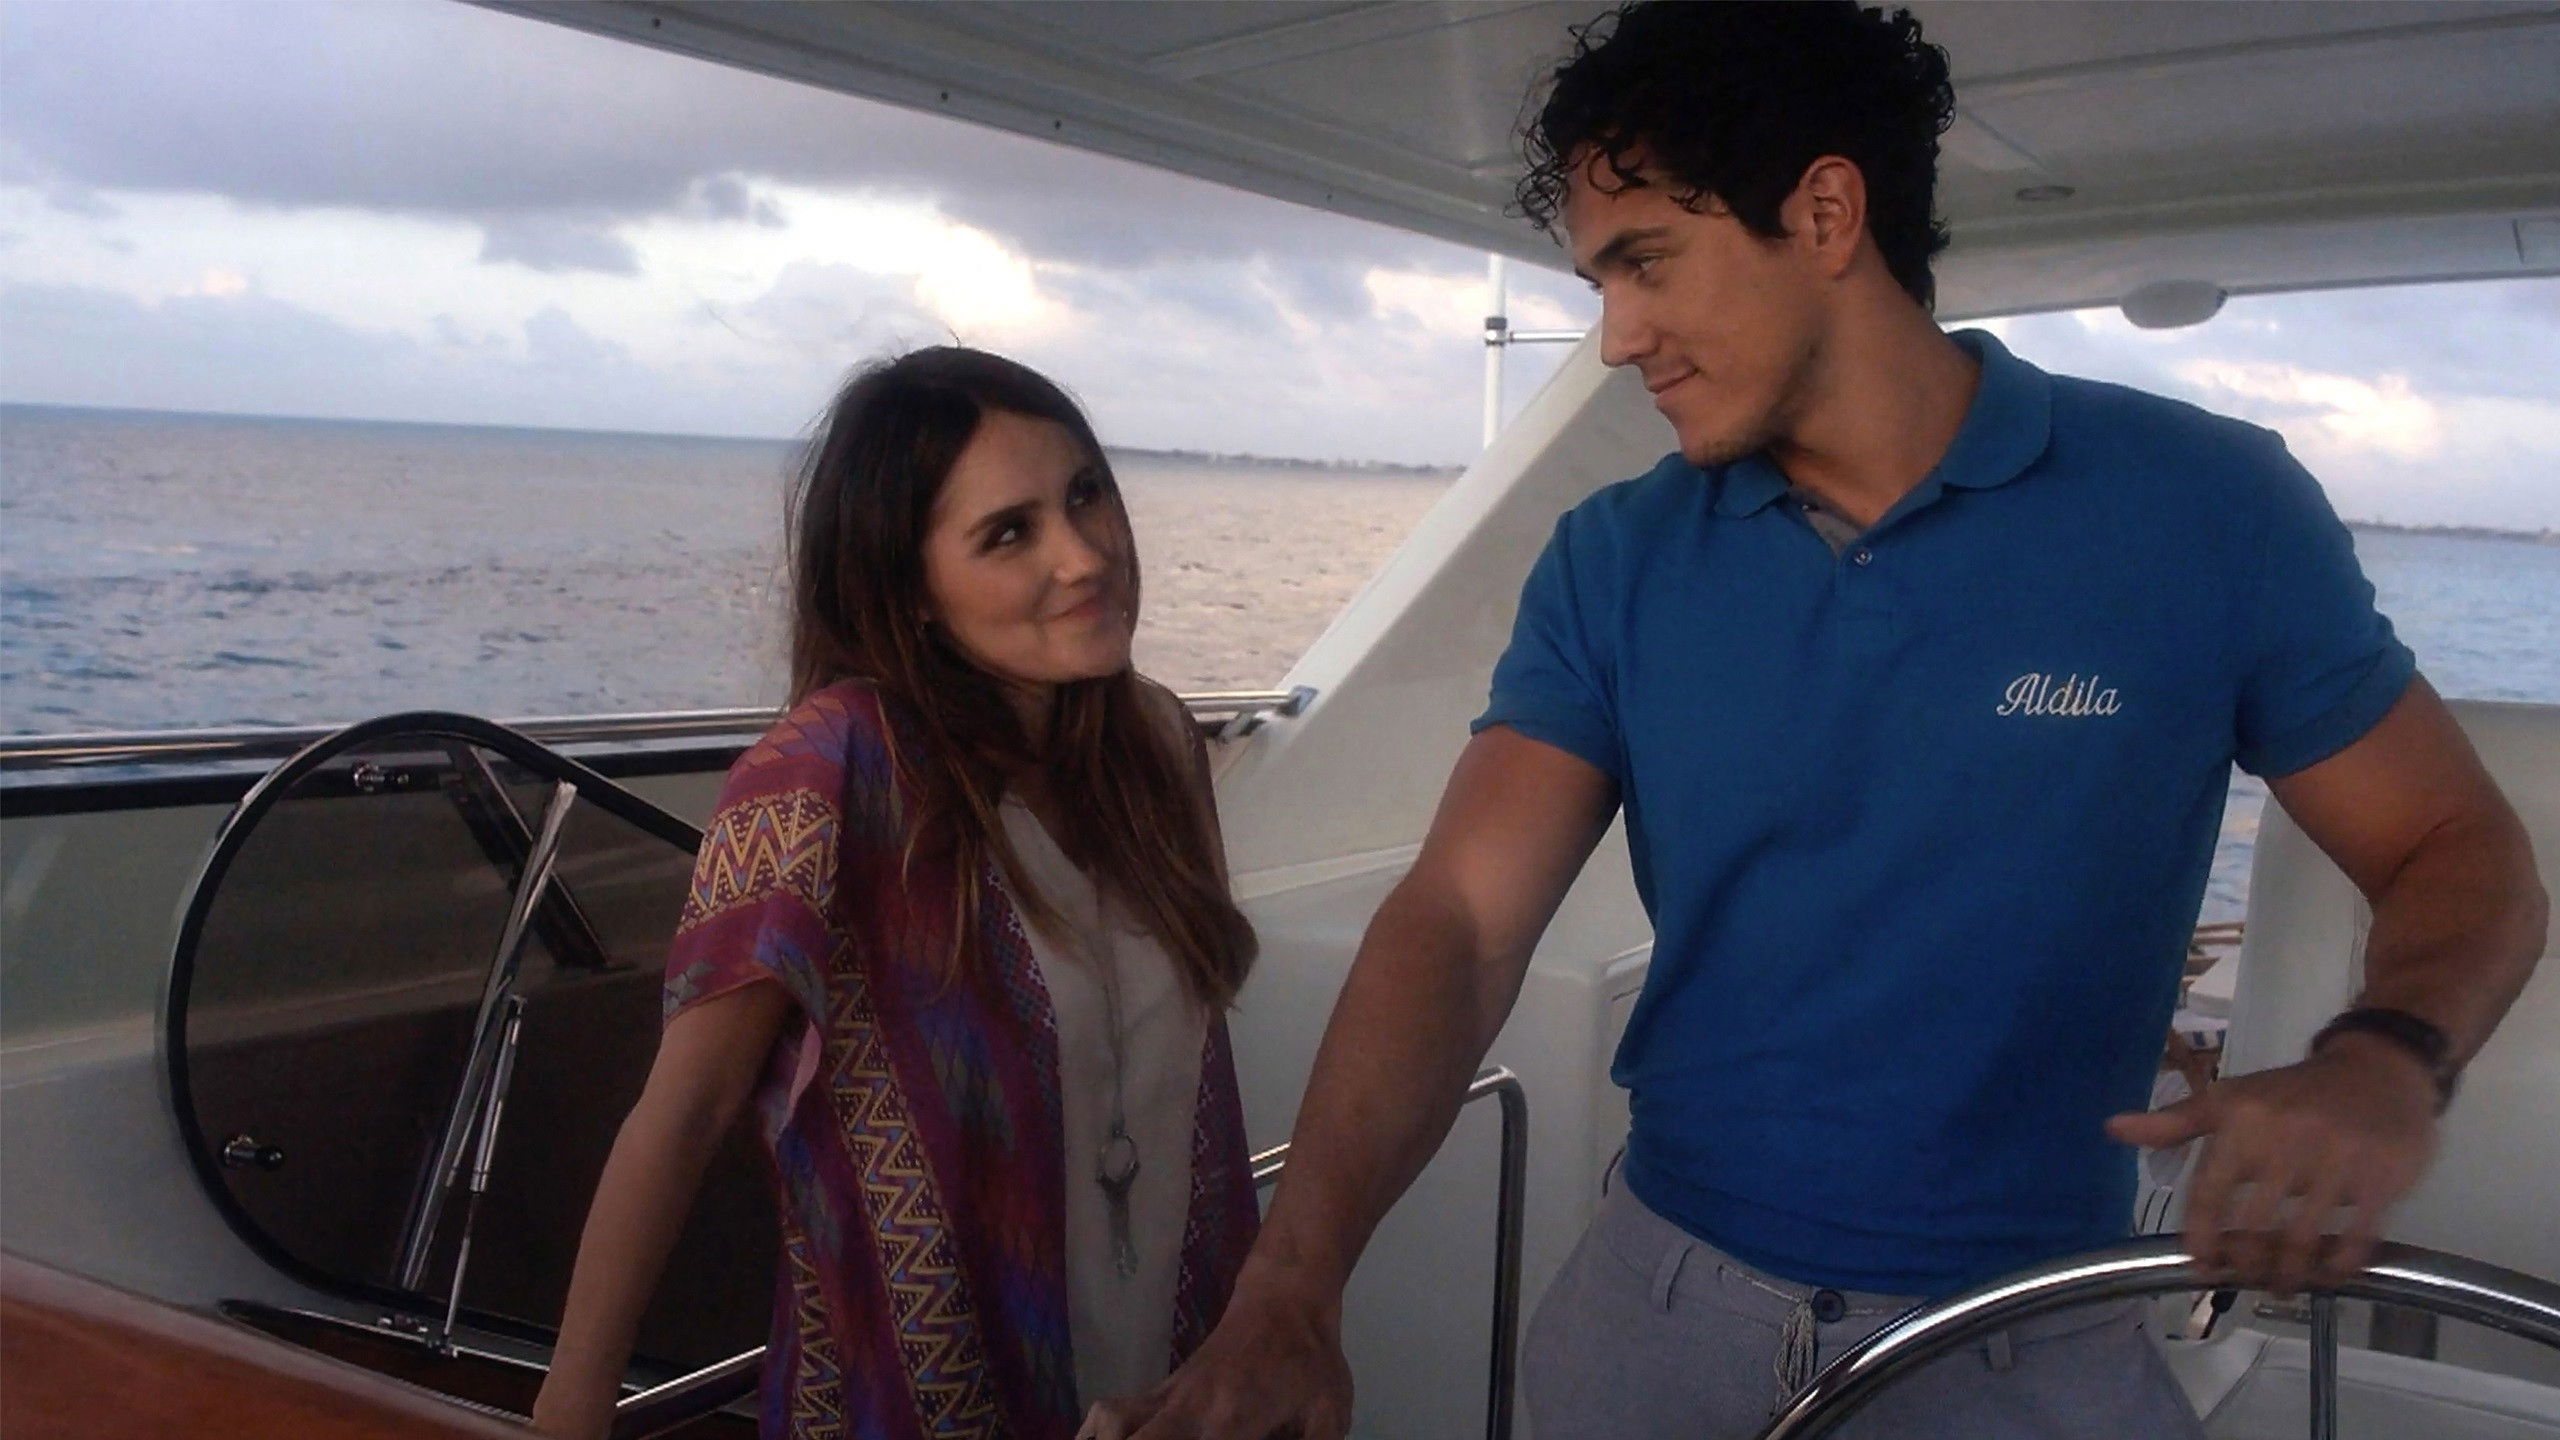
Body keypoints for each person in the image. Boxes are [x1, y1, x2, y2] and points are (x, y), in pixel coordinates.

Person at [1086, 4, 2547, 1439]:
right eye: (1598, 282)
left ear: (1827, 213)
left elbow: (2450, 844)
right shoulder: (1615, 556)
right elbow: (1461, 923)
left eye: (1644, 262)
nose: (1616, 337)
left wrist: (2382, 1056)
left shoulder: (2205, 509)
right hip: (1656, 1312)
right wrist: (1291, 1287)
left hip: (2027, 1334)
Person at [529, 347, 1262, 1440]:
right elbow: (686, 1112)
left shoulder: (1155, 744)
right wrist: (574, 1406)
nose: (1084, 555)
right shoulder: (824, 773)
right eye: (1008, 534)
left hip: (1177, 1388)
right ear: (908, 589)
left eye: (1085, 496)